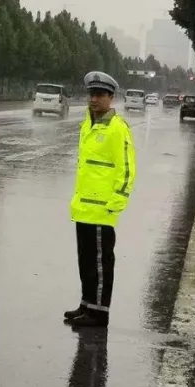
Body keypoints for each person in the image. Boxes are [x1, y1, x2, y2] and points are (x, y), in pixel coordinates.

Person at [65, 71, 137, 329]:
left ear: (111, 97)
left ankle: (99, 312)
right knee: (85, 261)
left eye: (99, 95)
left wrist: (116, 203)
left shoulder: (117, 128)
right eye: (91, 94)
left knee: (100, 264)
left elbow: (127, 169)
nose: (93, 99)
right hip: (83, 208)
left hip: (102, 210)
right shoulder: (88, 124)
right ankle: (87, 304)